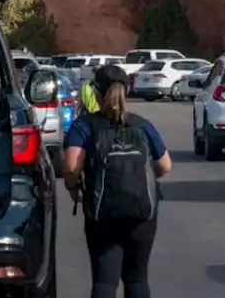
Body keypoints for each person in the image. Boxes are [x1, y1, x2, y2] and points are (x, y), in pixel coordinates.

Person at [63, 65, 172, 298]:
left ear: (96, 92)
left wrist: (74, 188)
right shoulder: (142, 125)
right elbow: (165, 166)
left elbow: (71, 167)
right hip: (142, 212)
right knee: (137, 278)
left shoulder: (84, 126)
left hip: (103, 212)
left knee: (104, 281)